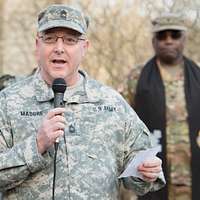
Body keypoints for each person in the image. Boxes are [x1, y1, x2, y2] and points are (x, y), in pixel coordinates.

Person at [0, 4, 165, 200]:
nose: (59, 48)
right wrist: (36, 146)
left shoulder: (112, 103)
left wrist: (145, 172)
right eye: (50, 39)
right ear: (37, 45)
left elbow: (138, 179)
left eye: (70, 40)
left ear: (84, 47)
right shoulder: (8, 103)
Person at [123, 12, 200, 200]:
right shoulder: (137, 77)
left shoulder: (198, 74)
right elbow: (121, 121)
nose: (168, 41)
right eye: (161, 35)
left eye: (174, 35)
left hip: (193, 173)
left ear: (184, 39)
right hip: (154, 172)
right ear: (153, 41)